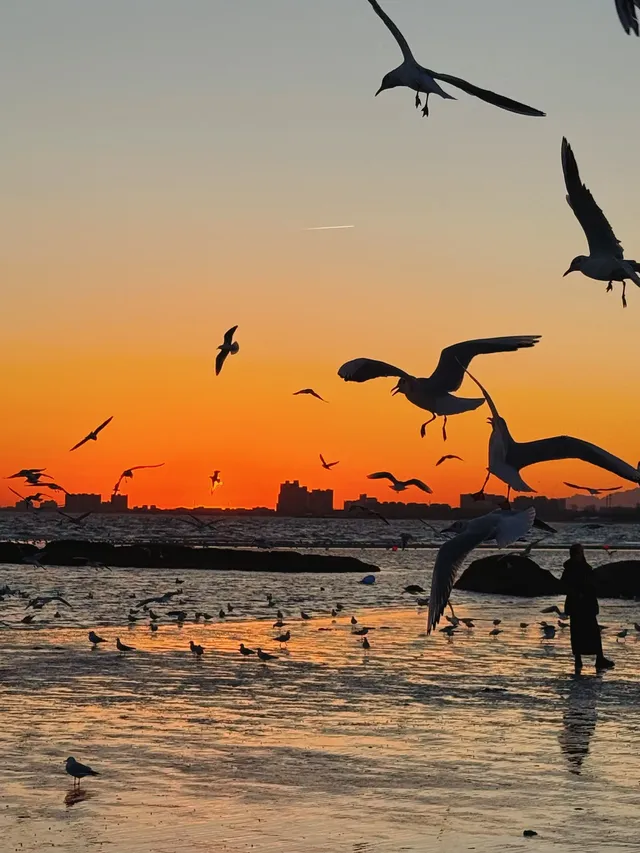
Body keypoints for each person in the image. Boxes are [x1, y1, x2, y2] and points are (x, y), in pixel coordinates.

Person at [561, 543, 614, 675]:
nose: (582, 554)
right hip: (582, 605)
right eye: (580, 552)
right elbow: (567, 585)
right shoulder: (576, 568)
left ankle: (591, 659)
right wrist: (579, 593)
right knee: (588, 632)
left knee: (582, 632)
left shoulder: (573, 568)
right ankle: (593, 659)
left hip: (581, 604)